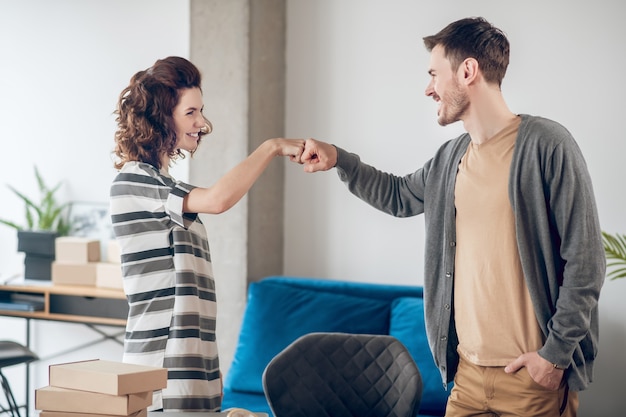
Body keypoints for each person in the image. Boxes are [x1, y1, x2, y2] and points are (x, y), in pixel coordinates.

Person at [300, 17, 604, 417]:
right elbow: (398, 195)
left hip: (531, 379)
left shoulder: (547, 145)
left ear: (467, 71)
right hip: (467, 380)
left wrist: (555, 356)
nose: (428, 88)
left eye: (433, 74)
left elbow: (586, 260)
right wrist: (339, 159)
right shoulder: (450, 159)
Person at [109, 56, 303, 412]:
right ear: (160, 118)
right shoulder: (133, 181)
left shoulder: (168, 187)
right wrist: (272, 146)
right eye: (191, 112)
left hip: (195, 363)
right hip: (163, 366)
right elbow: (218, 199)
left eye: (201, 110)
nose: (202, 123)